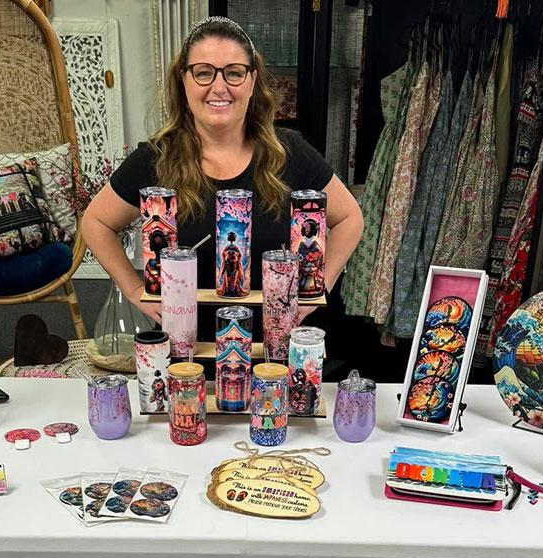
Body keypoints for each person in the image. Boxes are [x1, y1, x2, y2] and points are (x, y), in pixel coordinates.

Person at [82, 17, 363, 330]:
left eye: (233, 73)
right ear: (183, 80)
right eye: (203, 73)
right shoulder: (155, 158)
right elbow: (96, 222)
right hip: (184, 358)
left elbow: (350, 218)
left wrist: (316, 288)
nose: (219, 87)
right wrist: (134, 290)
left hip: (275, 355)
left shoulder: (289, 152)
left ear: (252, 80)